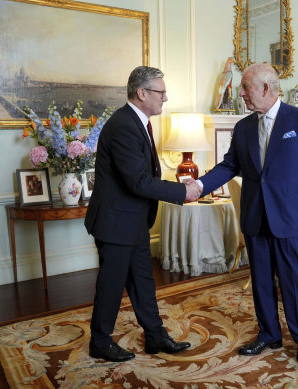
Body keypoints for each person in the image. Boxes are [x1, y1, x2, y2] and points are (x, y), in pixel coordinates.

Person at [193, 63, 298, 366]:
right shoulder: (243, 127)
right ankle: (269, 333)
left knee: (294, 280)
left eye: (245, 88)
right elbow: (229, 166)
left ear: (266, 88)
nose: (240, 93)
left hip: (291, 216)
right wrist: (200, 185)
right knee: (261, 280)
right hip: (256, 216)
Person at [84, 66, 200, 363]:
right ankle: (99, 341)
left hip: (132, 220)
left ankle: (155, 335)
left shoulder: (138, 122)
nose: (165, 98)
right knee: (111, 284)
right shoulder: (124, 125)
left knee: (142, 280)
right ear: (142, 93)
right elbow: (137, 181)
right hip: (115, 221)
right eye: (161, 92)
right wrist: (180, 192)